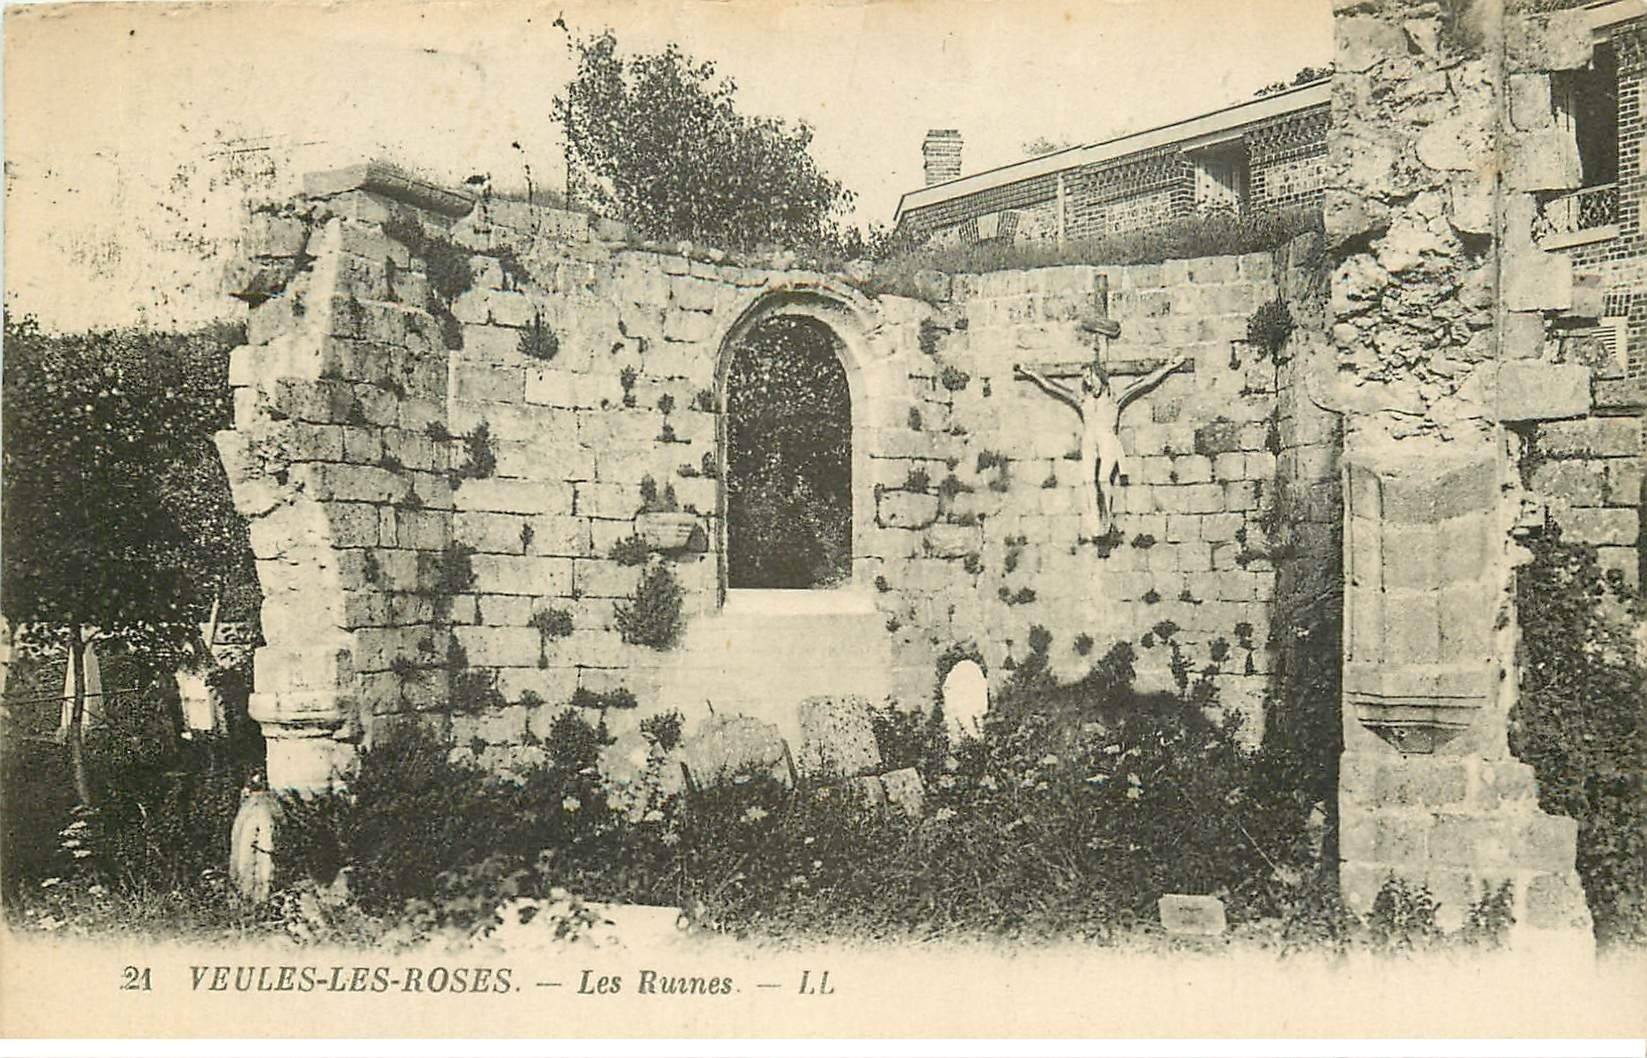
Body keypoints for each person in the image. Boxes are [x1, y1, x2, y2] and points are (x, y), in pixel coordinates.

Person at [1014, 356, 1190, 538]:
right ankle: (1094, 520)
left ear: (1100, 377)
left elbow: (1145, 382)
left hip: (1107, 440)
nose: (1088, 382)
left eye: (1090, 377)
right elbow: (1052, 386)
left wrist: (1170, 366)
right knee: (1089, 481)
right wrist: (1031, 372)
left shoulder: (1115, 399)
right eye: (1086, 379)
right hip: (1089, 440)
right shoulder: (1082, 400)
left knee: (1104, 479)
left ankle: (1107, 518)